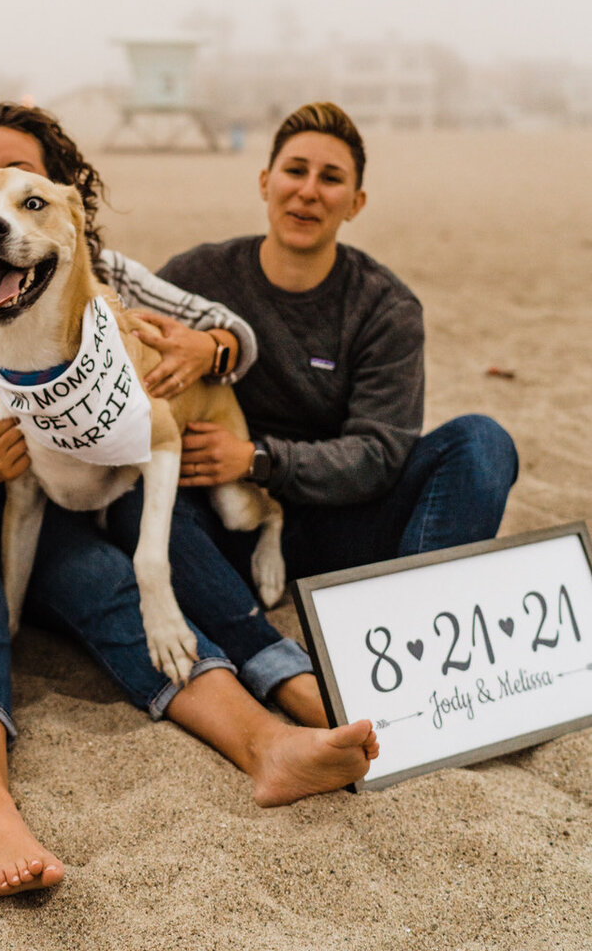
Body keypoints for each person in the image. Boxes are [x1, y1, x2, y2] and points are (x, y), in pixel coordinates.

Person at [0, 101, 378, 899]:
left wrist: (203, 347)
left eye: (26, 196)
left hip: (35, 508)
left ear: (65, 213)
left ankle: (265, 745)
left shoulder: (93, 275)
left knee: (110, 579)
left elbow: (230, 333)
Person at [120, 100, 517, 593]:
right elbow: (122, 348)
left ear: (356, 202)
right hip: (224, 524)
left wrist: (255, 458)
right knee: (136, 496)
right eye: (295, 171)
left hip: (347, 530)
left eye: (330, 178)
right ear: (266, 182)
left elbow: (379, 453)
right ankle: (234, 616)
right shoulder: (197, 275)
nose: (308, 191)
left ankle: (418, 608)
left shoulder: (385, 307)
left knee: (483, 442)